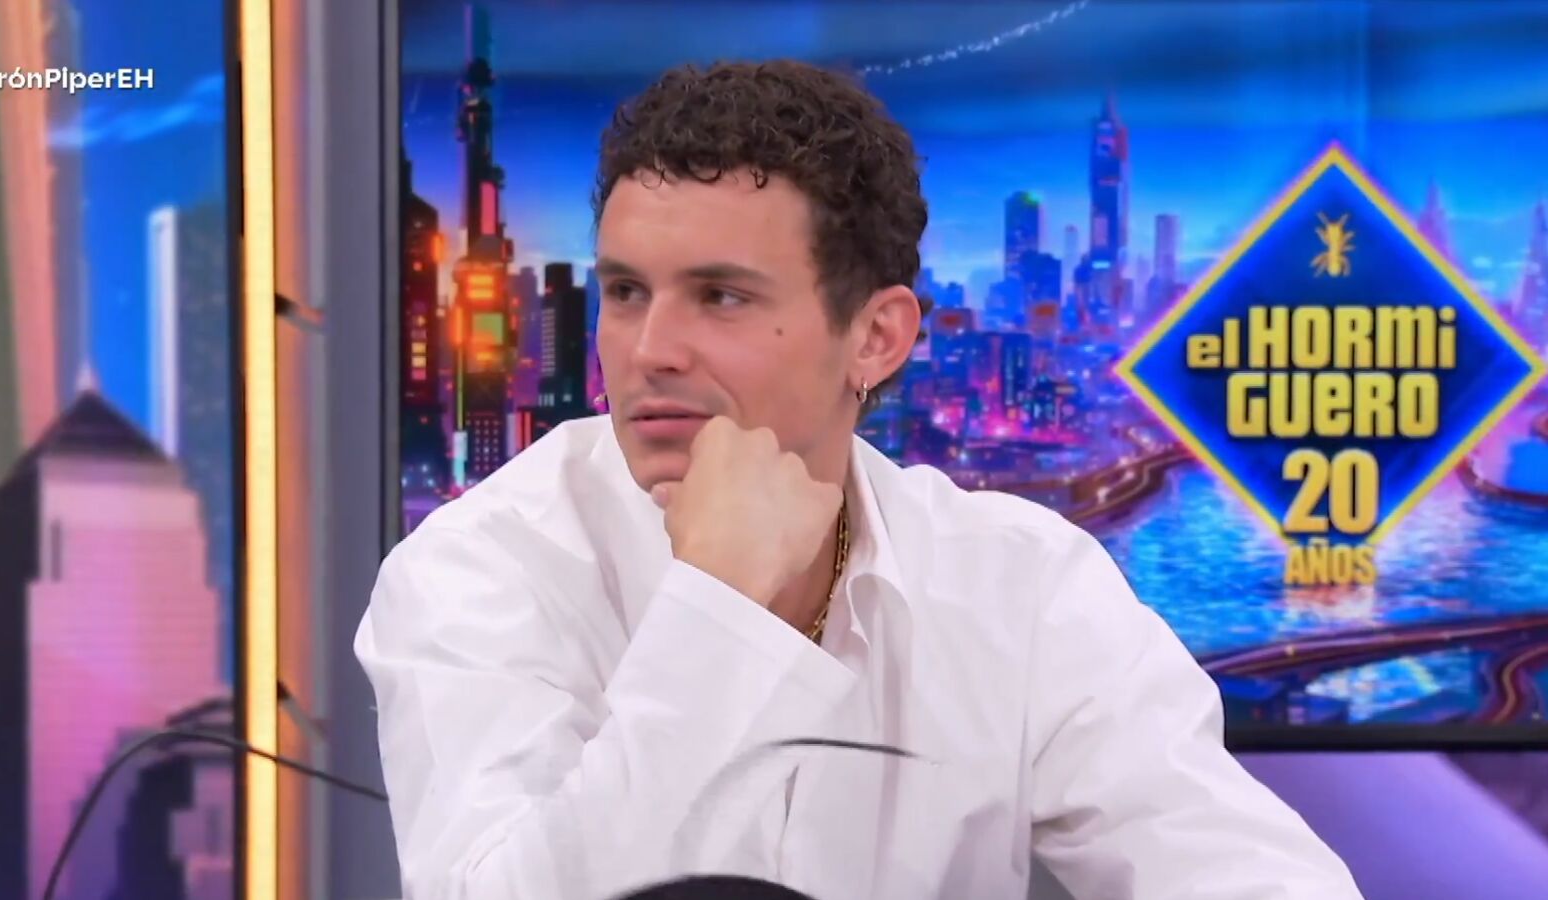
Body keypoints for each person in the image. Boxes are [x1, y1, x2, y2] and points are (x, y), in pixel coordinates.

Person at [356, 59, 1364, 900]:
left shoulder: (1020, 583)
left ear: (877, 336)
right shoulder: (480, 571)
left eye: (721, 297)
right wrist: (715, 608)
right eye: (624, 291)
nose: (649, 349)